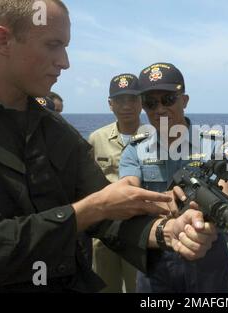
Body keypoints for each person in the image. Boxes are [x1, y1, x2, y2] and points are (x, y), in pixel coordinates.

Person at [0, 0, 218, 292]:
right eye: (53, 45)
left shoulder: (57, 131)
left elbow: (109, 214)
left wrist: (164, 232)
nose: (64, 61)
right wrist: (89, 210)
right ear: (3, 40)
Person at [119, 62, 228, 293]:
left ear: (184, 100)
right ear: (143, 107)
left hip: (205, 248)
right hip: (156, 253)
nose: (160, 109)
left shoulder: (216, 143)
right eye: (151, 103)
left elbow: (226, 193)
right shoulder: (133, 150)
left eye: (168, 99)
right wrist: (164, 199)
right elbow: (126, 196)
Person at [89, 73, 142, 293]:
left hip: (140, 231)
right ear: (110, 104)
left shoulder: (157, 138)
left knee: (139, 288)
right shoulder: (96, 139)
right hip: (105, 232)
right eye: (120, 100)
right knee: (104, 286)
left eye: (132, 99)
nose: (126, 105)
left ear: (141, 102)